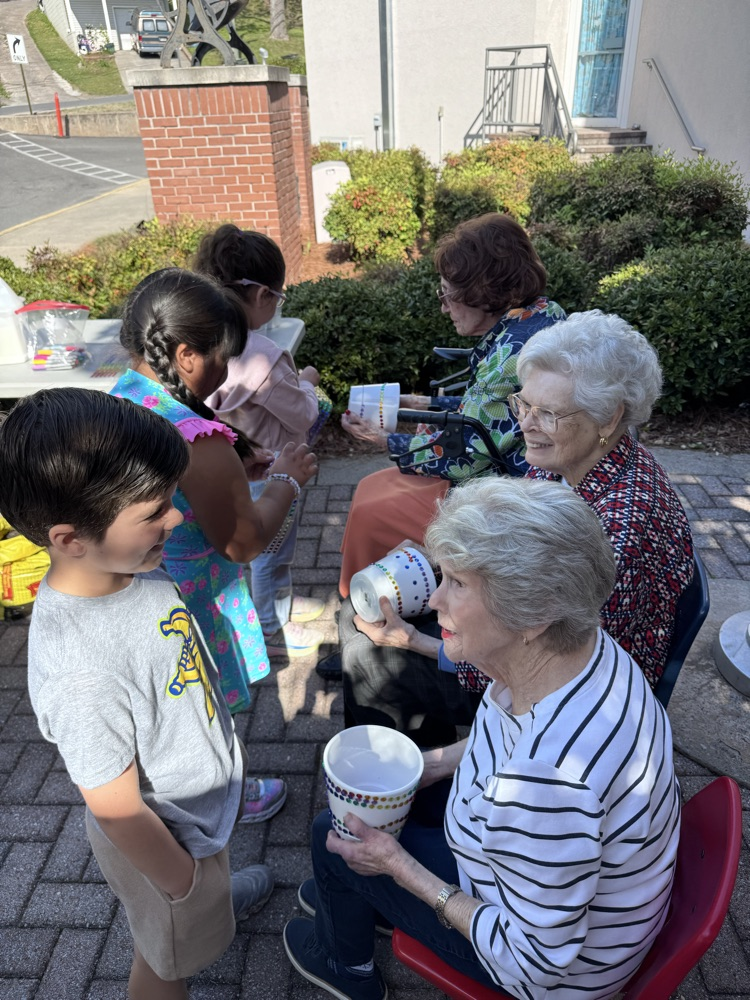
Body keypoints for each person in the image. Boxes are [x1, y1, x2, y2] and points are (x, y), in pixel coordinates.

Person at [284, 477, 681, 1000]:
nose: (435, 599)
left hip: (548, 970)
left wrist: (400, 869)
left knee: (331, 838)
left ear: (533, 614)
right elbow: (507, 737)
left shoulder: (546, 784)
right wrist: (432, 764)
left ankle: (347, 967)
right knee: (373, 825)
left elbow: (532, 962)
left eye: (457, 584)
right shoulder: (581, 652)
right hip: (536, 890)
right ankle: (363, 894)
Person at [0, 388, 275, 1000]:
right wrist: (184, 885)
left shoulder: (126, 567)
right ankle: (206, 904)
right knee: (165, 957)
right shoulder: (81, 672)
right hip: (165, 845)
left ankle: (219, 897)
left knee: (199, 906)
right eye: (155, 511)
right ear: (70, 539)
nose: (175, 519)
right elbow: (117, 809)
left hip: (194, 814)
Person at [341, 310, 694, 742]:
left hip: (559, 692)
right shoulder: (568, 461)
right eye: (522, 404)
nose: (525, 424)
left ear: (608, 418)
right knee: (362, 607)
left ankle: (409, 773)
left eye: (547, 413)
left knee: (366, 659)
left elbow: (556, 665)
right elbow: (510, 545)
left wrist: (418, 642)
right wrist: (435, 560)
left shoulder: (619, 531)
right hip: (520, 619)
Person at [113, 268, 317, 824]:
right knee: (203, 707)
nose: (226, 371)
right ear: (185, 355)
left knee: (171, 706)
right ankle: (221, 796)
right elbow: (242, 543)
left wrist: (233, 472)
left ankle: (181, 786)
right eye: (222, 358)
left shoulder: (124, 397)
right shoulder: (197, 440)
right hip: (194, 604)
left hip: (143, 592)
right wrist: (288, 480)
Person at [335, 212, 566, 605]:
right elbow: (491, 415)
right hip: (512, 473)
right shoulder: (541, 313)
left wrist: (386, 441)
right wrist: (421, 404)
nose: (444, 307)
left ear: (484, 291)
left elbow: (465, 457)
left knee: (371, 511)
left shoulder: (509, 356)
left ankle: (367, 606)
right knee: (370, 491)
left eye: (446, 294)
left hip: (503, 498)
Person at [194, 223, 326, 659]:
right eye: (278, 297)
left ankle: (279, 604)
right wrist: (307, 382)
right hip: (273, 468)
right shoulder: (263, 356)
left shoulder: (205, 342)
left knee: (268, 549)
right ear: (263, 294)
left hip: (236, 466)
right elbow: (302, 413)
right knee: (269, 550)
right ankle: (270, 625)